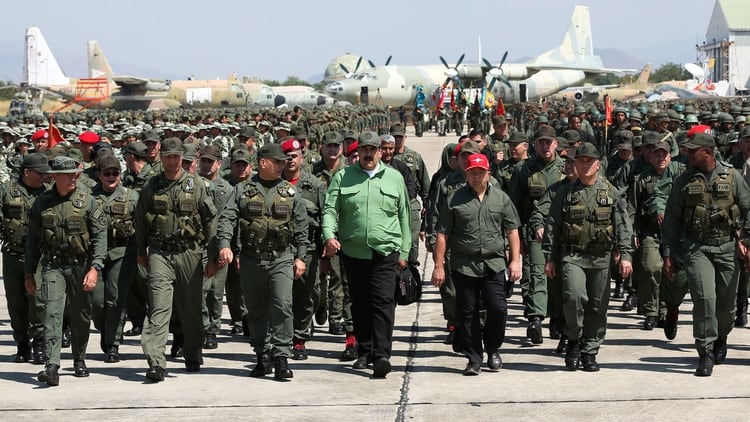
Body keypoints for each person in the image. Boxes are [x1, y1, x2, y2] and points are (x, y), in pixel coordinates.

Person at [215, 143, 309, 380]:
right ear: (263, 162)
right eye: (277, 162)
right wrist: (225, 245)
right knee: (256, 310)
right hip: (251, 259)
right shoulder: (242, 191)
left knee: (282, 305)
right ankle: (262, 354)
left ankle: (281, 357)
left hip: (281, 258)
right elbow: (227, 219)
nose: (283, 165)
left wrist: (300, 257)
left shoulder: (290, 192)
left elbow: (301, 227)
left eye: (284, 162)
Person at [321, 130, 411, 378]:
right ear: (357, 152)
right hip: (353, 252)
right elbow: (330, 210)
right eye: (364, 149)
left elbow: (404, 215)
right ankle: (365, 350)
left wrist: (405, 250)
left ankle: (382, 355)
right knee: (359, 304)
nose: (369, 153)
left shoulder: (394, 178)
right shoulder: (342, 178)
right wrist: (329, 235)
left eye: (373, 149)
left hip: (385, 252)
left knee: (382, 302)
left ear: (380, 152)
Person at [662, 132, 750, 377]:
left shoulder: (732, 177)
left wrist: (746, 239)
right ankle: (705, 351)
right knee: (704, 299)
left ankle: (722, 336)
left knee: (727, 305)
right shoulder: (684, 181)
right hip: (696, 247)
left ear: (708, 153)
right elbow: (671, 220)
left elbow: (748, 207)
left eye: (693, 150)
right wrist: (668, 253)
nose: (688, 154)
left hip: (726, 247)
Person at [543, 143, 633, 372]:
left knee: (597, 306)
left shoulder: (609, 191)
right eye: (579, 161)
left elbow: (623, 225)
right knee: (573, 297)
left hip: (600, 258)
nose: (583, 165)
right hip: (572, 256)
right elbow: (553, 225)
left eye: (588, 161)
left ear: (598, 164)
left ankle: (589, 351)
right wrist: (549, 258)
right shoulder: (565, 192)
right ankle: (573, 339)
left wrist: (626, 256)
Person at [134, 137, 218, 382]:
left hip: (189, 253)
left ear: (183, 158)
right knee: (159, 308)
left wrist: (212, 256)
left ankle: (192, 352)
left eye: (176, 157)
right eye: (168, 156)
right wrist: (141, 251)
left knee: (191, 307)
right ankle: (156, 362)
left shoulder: (196, 185)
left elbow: (210, 220)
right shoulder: (152, 186)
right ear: (161, 158)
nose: (172, 161)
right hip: (160, 252)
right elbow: (140, 220)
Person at [431, 152, 522, 375]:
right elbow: (442, 234)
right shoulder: (454, 200)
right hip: (464, 265)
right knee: (468, 312)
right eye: (472, 172)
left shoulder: (501, 198)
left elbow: (512, 230)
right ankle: (474, 357)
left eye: (481, 172)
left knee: (498, 309)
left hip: (494, 264)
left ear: (488, 173)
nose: (477, 176)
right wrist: (439, 265)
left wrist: (515, 261)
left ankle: (493, 349)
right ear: (466, 174)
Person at [25, 156, 108, 386]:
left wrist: (95, 267)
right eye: (69, 174)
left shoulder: (88, 201)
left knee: (81, 315)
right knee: (52, 312)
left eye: (75, 174)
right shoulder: (42, 203)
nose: (74, 178)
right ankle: (52, 366)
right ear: (56, 177)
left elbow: (101, 236)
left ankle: (79, 357)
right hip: (53, 265)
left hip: (81, 265)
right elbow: (32, 241)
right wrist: (29, 274)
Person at [509, 125, 565, 344]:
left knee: (558, 278)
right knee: (536, 275)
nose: (545, 146)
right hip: (533, 231)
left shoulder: (566, 168)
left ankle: (556, 318)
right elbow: (513, 205)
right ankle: (535, 319)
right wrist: (515, 237)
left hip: (561, 233)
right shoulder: (523, 169)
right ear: (534, 145)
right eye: (541, 142)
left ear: (556, 144)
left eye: (549, 142)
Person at [1, 153, 50, 365]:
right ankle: (22, 343)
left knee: (38, 302)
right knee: (16, 303)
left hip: (39, 258)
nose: (43, 177)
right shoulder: (6, 190)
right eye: (39, 173)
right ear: (27, 172)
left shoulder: (49, 193)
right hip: (13, 255)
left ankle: (39, 343)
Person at [90, 154, 139, 363]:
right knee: (97, 302)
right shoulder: (88, 197)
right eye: (107, 173)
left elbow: (142, 226)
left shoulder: (132, 197)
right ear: (99, 175)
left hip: (122, 253)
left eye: (115, 173)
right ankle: (105, 329)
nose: (111, 177)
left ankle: (113, 344)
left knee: (115, 298)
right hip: (96, 255)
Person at [280, 138, 325, 361]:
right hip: (280, 249)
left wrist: (328, 241)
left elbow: (326, 215)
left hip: (309, 248)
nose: (290, 160)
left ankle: (301, 331)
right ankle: (293, 339)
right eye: (286, 156)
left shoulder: (314, 185)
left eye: (294, 156)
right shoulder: (272, 183)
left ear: (302, 158)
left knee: (309, 294)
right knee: (281, 296)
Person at [197, 144, 233, 350]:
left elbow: (230, 219)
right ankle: (202, 326)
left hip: (218, 245)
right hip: (199, 246)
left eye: (211, 161)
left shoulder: (227, 189)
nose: (206, 165)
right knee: (201, 290)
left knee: (216, 292)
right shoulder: (193, 184)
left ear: (219, 164)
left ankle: (213, 330)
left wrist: (228, 247)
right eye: (204, 160)